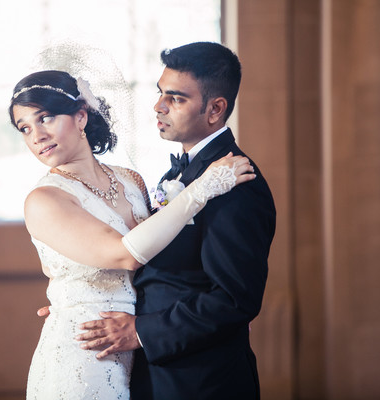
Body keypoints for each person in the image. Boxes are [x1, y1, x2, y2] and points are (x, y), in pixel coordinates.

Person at [9, 69, 255, 400]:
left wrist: (215, 313)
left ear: (81, 116)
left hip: (142, 352)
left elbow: (163, 254)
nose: (36, 135)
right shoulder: (44, 200)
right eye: (25, 128)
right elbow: (125, 254)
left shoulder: (131, 181)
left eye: (46, 118)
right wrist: (202, 189)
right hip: (85, 350)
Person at [76, 42, 277, 399]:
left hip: (201, 381)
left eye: (176, 98)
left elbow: (234, 300)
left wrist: (140, 331)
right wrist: (78, 301)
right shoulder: (186, 173)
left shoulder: (236, 183)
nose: (159, 106)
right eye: (159, 93)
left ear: (215, 109)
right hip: (159, 375)